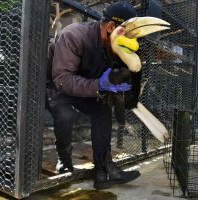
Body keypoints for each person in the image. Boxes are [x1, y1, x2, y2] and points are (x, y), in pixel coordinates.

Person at [48, 1, 141, 190]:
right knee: (65, 115)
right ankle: (64, 160)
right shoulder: (73, 35)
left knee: (103, 111)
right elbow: (63, 80)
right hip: (58, 87)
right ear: (110, 27)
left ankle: (103, 169)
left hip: (86, 87)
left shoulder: (114, 46)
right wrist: (99, 84)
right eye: (127, 32)